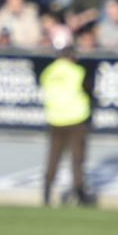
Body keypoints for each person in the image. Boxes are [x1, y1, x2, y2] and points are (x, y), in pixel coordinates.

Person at [40, 46, 95, 207]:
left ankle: (47, 191)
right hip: (76, 119)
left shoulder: (48, 72)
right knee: (77, 159)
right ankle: (80, 193)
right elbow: (88, 91)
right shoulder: (77, 71)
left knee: (53, 157)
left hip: (55, 118)